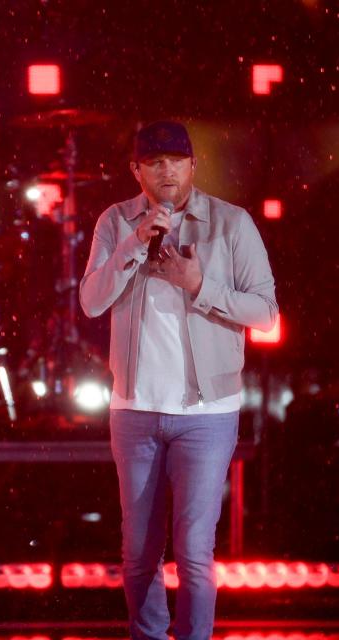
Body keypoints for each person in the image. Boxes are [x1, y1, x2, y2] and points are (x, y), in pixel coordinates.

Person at [79, 121, 278, 640]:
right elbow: (91, 300)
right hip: (135, 409)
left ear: (193, 165)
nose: (165, 170)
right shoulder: (115, 221)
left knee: (193, 550)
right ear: (136, 171)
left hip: (206, 414)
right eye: (153, 162)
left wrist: (199, 285)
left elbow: (265, 312)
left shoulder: (231, 224)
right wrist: (130, 248)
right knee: (139, 552)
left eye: (175, 160)